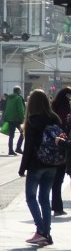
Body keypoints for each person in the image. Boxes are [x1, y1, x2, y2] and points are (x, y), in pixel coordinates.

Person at [18, 87, 62, 248]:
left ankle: (41, 231)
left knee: (31, 197)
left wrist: (22, 168)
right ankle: (46, 233)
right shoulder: (55, 118)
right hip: (53, 163)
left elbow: (28, 147)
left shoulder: (33, 120)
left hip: (36, 164)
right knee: (45, 198)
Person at [53, 87, 71, 217]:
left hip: (57, 147)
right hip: (65, 146)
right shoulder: (67, 111)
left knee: (57, 180)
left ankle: (57, 206)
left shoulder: (53, 109)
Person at [3, 85, 26, 155]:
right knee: (23, 133)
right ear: (18, 91)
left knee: (11, 135)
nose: (21, 92)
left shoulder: (9, 98)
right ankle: (18, 148)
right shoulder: (19, 98)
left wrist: (5, 118)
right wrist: (23, 119)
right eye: (20, 90)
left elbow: (7, 108)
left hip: (10, 119)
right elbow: (21, 110)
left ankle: (10, 150)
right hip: (17, 119)